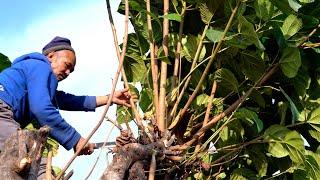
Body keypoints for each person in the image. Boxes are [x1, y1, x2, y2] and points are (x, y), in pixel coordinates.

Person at [0, 36, 132, 177]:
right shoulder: (41, 66)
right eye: (67, 65)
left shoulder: (30, 73)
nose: (68, 73)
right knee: (36, 164)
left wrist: (108, 98)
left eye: (71, 71)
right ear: (51, 56)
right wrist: (75, 139)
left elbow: (67, 100)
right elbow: (42, 109)